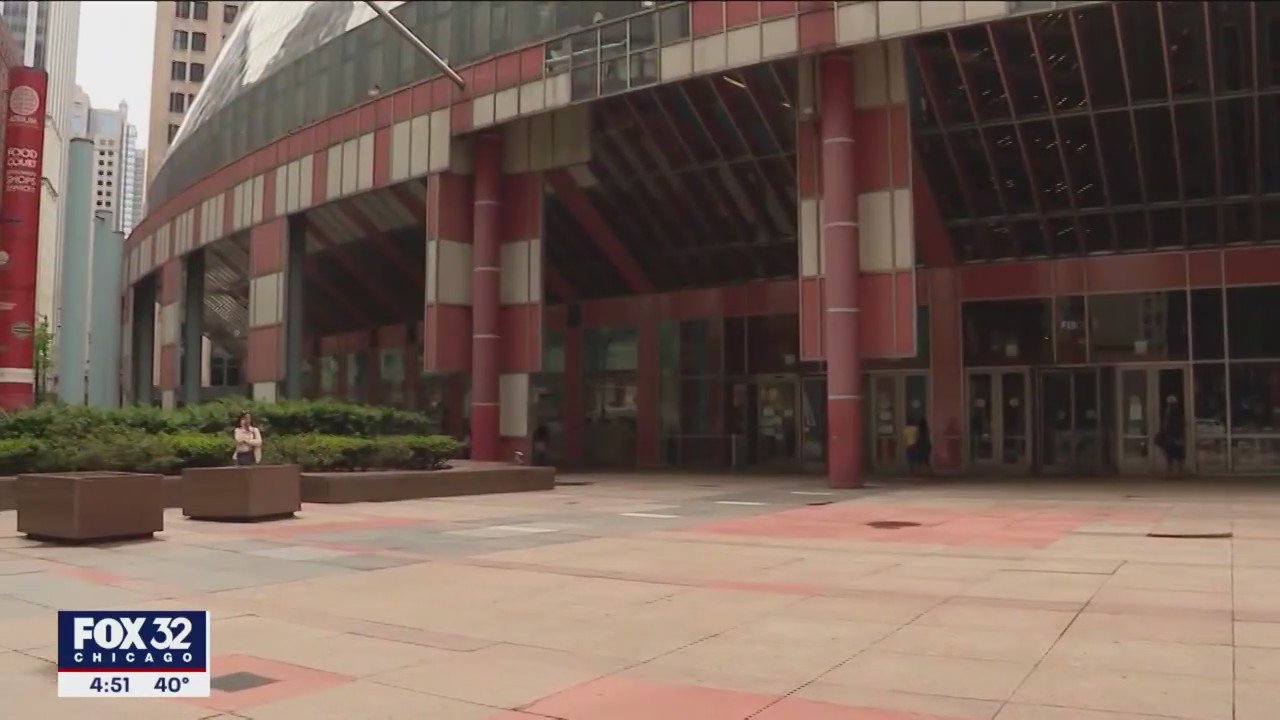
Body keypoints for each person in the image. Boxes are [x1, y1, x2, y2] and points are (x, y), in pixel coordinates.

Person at [1158, 396, 1185, 476]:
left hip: (1173, 437)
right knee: (1176, 456)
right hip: (1174, 437)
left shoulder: (1172, 413)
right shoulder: (1173, 412)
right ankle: (1176, 472)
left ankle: (1173, 472)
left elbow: (1166, 425)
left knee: (1172, 456)